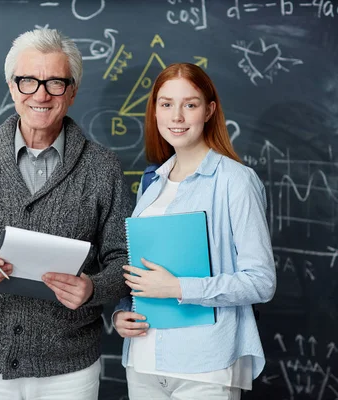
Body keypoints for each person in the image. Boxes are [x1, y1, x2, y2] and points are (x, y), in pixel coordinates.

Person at [0, 28, 133, 400]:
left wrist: (94, 288)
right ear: (12, 87)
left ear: (72, 92)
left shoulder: (103, 167)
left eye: (55, 82)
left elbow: (123, 258)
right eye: (28, 81)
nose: (41, 94)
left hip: (69, 368)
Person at [113, 63, 277, 399]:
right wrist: (122, 312)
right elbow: (140, 267)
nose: (177, 117)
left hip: (206, 366)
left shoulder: (235, 181)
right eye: (166, 104)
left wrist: (178, 287)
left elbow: (261, 281)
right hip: (143, 359)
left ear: (209, 110)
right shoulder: (151, 183)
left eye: (190, 104)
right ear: (154, 111)